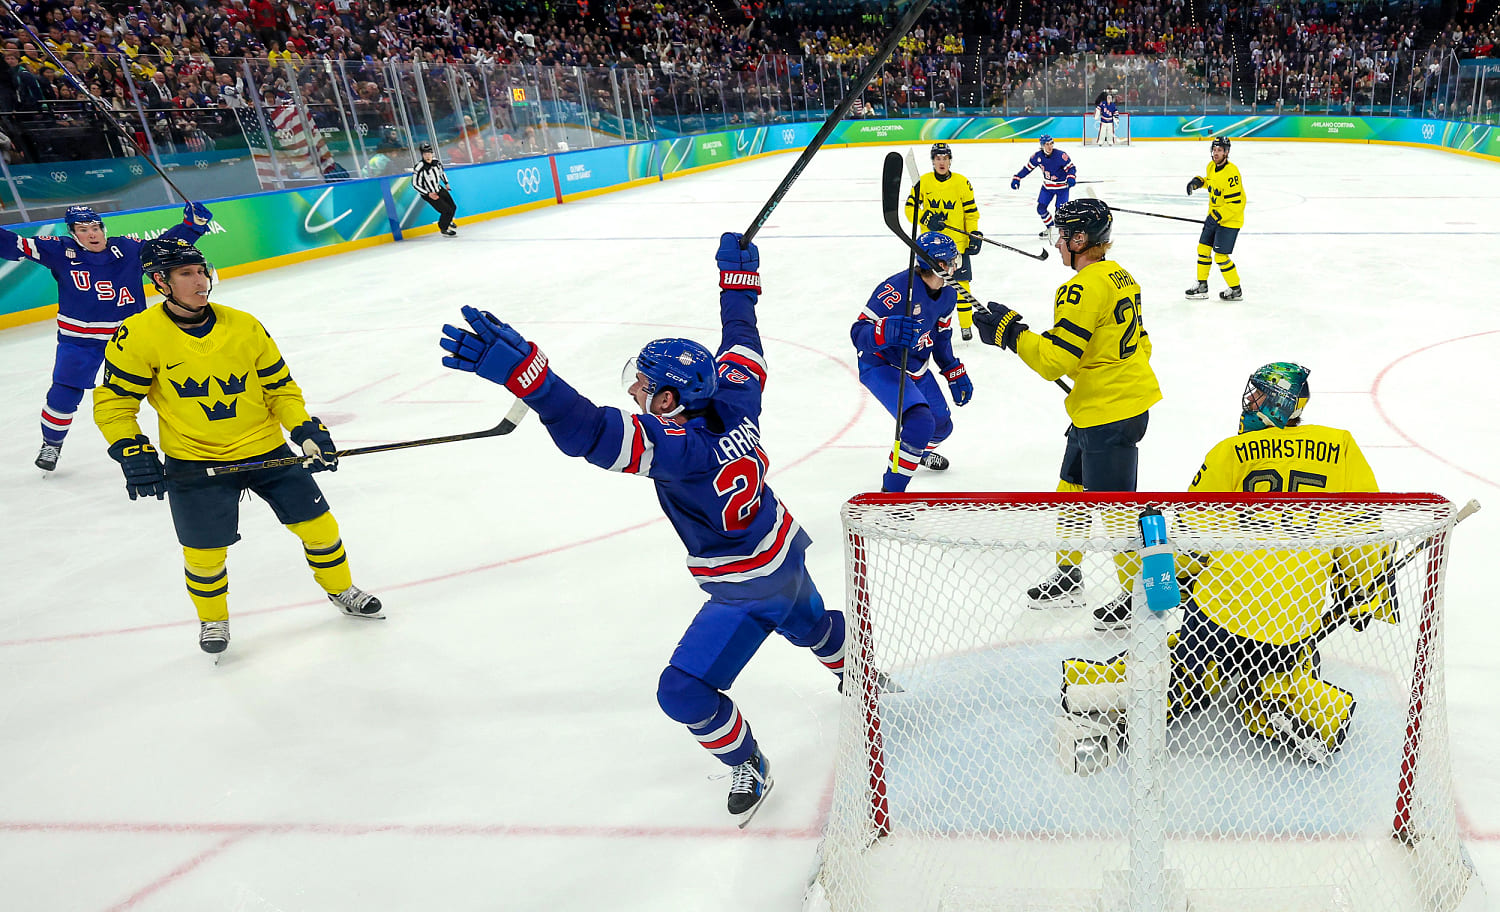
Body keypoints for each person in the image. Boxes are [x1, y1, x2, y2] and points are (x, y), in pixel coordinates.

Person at [438, 232, 848, 826]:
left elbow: (592, 433)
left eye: (645, 384)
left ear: (670, 400)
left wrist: (533, 381)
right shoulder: (738, 396)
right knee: (811, 625)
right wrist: (738, 283)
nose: (634, 389)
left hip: (747, 586)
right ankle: (861, 677)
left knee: (682, 691)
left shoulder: (680, 448)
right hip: (784, 554)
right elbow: (742, 337)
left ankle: (750, 763)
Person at [1058, 363, 1393, 766]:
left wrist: (1178, 580)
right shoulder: (1342, 449)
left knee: (1185, 660)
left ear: (1281, 403)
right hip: (1293, 621)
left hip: (1220, 617)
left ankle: (1118, 687)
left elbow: (1190, 540)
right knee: (1287, 669)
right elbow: (1364, 536)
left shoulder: (1229, 453)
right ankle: (1308, 706)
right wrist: (1360, 590)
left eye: (1259, 395)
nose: (1250, 402)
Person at [92, 238, 383, 658]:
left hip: (266, 449)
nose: (201, 281)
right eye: (186, 274)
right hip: (195, 461)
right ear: (160, 282)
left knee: (320, 528)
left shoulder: (244, 325)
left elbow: (280, 388)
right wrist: (131, 449)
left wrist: (303, 429)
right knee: (204, 554)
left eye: (201, 270)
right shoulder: (137, 334)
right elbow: (115, 403)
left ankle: (342, 590)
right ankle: (213, 619)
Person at [971, 199, 1161, 631]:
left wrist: (1012, 335)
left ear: (1080, 240)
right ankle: (1069, 574)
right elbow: (1134, 345)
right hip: (1105, 405)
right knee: (1071, 488)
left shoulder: (1080, 288)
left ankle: (1136, 599)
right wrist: (1095, 374)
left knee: (1116, 511)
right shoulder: (1120, 276)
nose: (1057, 242)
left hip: (1109, 414)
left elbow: (1055, 360)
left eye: (1062, 235)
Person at [1, 202, 212, 472]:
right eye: (83, 229)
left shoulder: (127, 249)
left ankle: (203, 433)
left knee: (178, 383)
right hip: (80, 340)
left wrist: (192, 226)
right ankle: (51, 444)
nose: (92, 234)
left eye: (96, 227)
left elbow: (163, 248)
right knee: (64, 394)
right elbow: (14, 245)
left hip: (132, 336)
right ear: (73, 233)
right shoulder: (58, 250)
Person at [851, 231, 973, 492]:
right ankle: (890, 495)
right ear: (939, 265)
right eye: (952, 261)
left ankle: (916, 452)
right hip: (882, 364)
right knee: (920, 424)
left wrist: (953, 370)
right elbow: (858, 334)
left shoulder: (948, 294)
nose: (956, 266)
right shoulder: (897, 290)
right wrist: (884, 331)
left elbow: (941, 338)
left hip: (916, 365)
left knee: (941, 427)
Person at [904, 142, 982, 340]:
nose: (941, 162)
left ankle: (966, 326)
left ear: (950, 160)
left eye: (945, 158)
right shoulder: (923, 182)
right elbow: (909, 208)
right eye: (938, 158)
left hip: (957, 247)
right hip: (929, 248)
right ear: (932, 161)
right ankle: (929, 325)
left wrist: (974, 234)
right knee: (929, 288)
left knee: (962, 287)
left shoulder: (961, 182)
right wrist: (925, 218)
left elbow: (971, 213)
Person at [1185, 136, 1246, 301]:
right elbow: (1212, 183)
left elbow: (1236, 204)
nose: (1216, 153)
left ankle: (1236, 290)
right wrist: (1199, 182)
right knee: (1203, 250)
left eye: (1219, 150)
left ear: (1226, 152)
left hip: (1230, 220)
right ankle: (1201, 286)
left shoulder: (1232, 173)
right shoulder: (1211, 166)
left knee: (1220, 256)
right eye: (1214, 149)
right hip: (1214, 217)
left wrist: (1217, 216)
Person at [1012, 134, 1076, 238]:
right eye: (1047, 144)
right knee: (1041, 209)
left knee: (1060, 212)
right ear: (1042, 145)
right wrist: (1017, 177)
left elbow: (1071, 168)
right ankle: (1051, 228)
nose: (1050, 146)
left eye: (1051, 143)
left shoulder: (1061, 155)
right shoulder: (1037, 157)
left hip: (1062, 188)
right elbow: (1027, 168)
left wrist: (1071, 176)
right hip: (1047, 187)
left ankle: (1061, 232)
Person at [411, 141, 458, 237]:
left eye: (429, 153)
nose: (427, 155)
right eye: (425, 154)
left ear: (432, 153)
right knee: (446, 211)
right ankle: (444, 228)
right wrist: (428, 194)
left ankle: (448, 221)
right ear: (422, 155)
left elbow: (441, 173)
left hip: (438, 188)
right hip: (428, 194)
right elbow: (415, 184)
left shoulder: (436, 162)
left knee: (453, 207)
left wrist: (446, 183)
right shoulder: (419, 167)